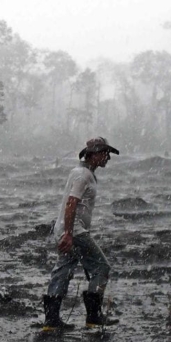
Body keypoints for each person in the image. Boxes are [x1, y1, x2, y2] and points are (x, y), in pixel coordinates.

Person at [42, 137, 120, 330]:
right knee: (102, 267)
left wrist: (66, 232)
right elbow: (71, 204)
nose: (108, 158)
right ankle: (93, 317)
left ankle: (51, 321)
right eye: (105, 153)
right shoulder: (82, 175)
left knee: (64, 269)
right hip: (74, 231)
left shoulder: (82, 173)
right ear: (93, 154)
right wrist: (69, 234)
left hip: (67, 229)